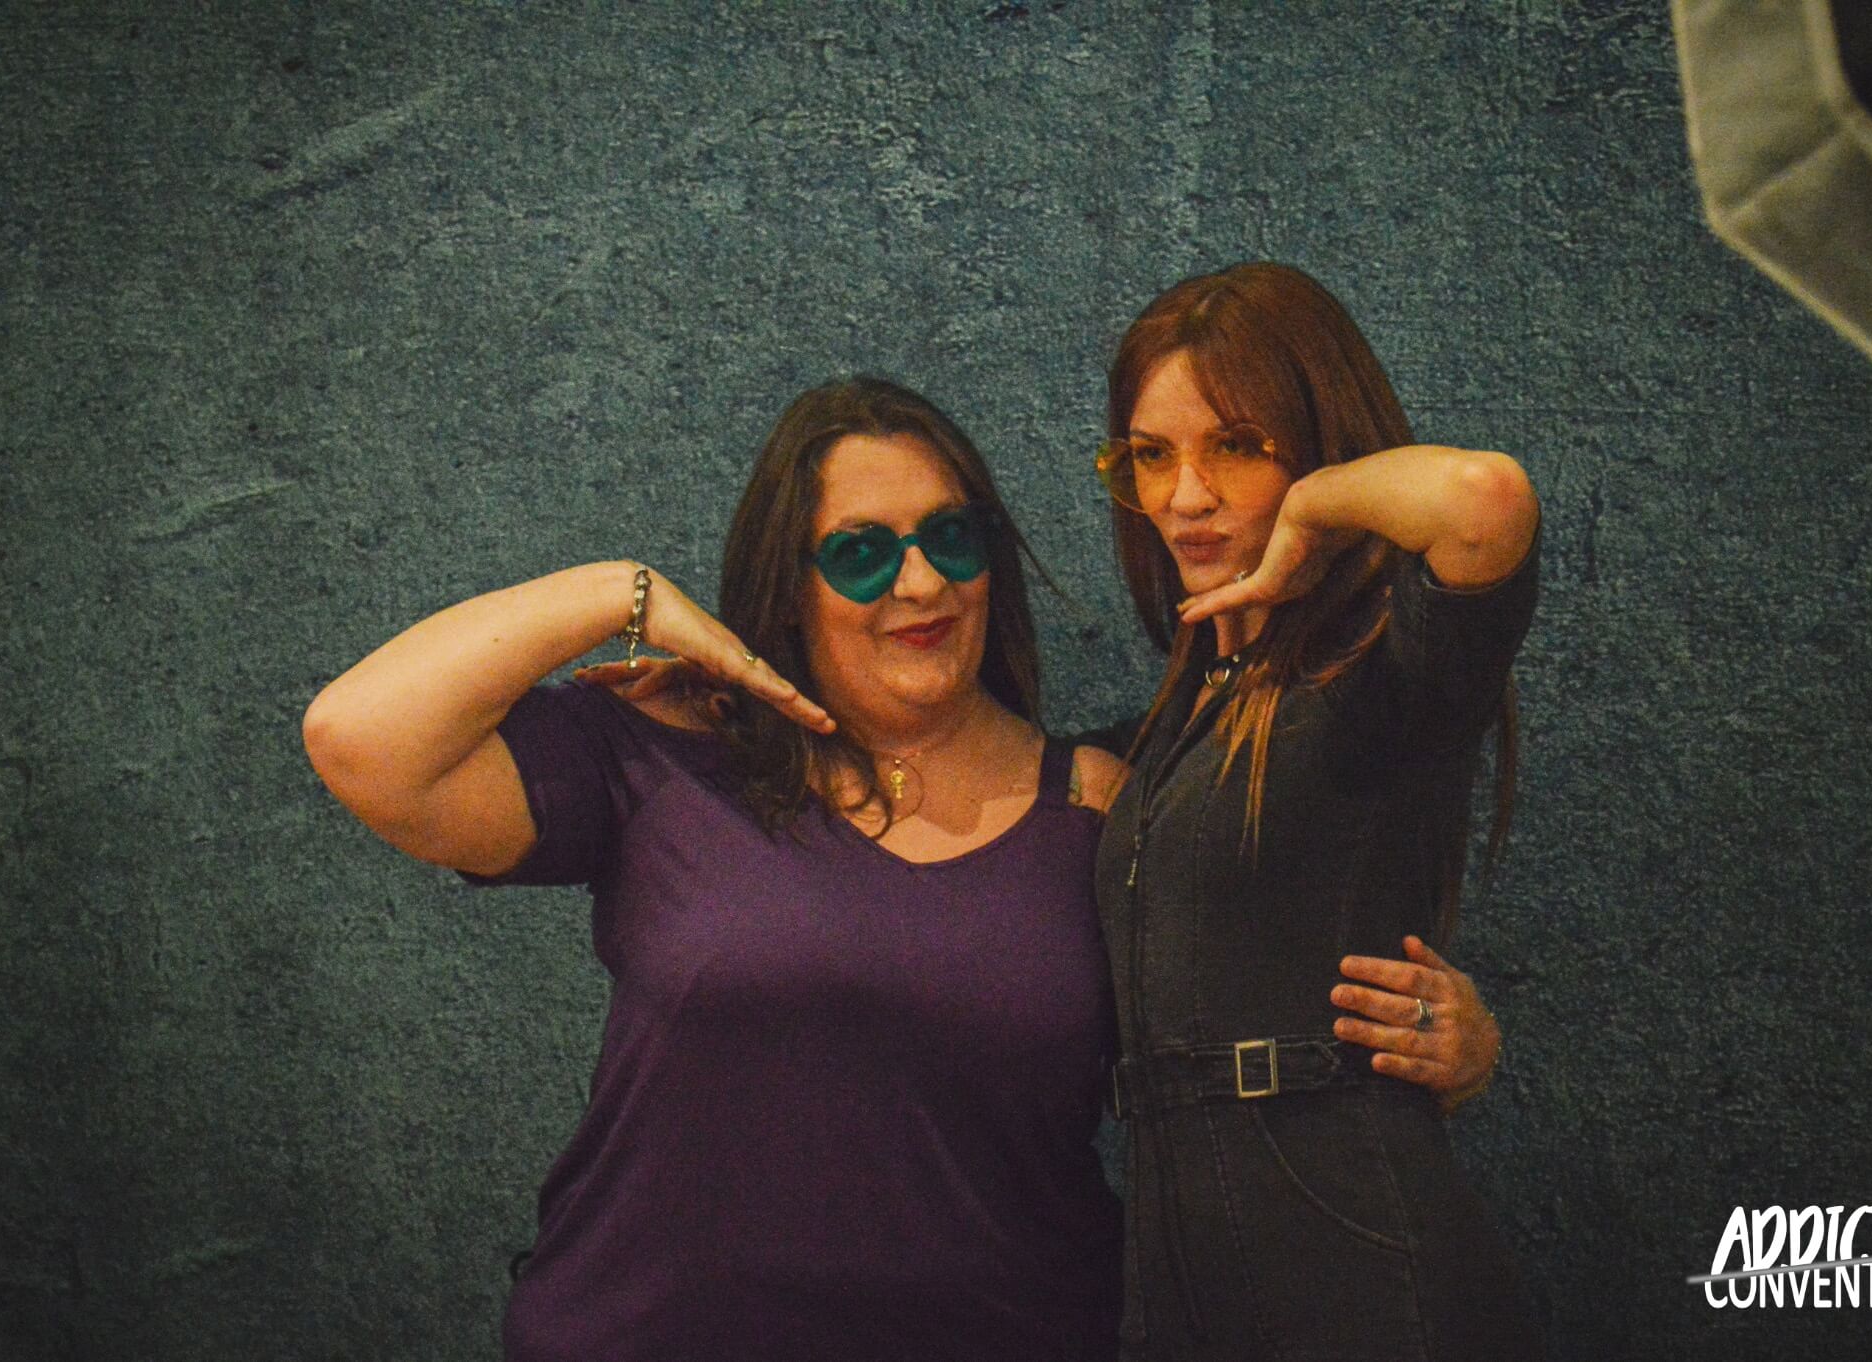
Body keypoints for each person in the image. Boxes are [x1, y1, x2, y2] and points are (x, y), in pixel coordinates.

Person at [302, 374, 1503, 1358]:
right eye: (860, 555)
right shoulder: (672, 759)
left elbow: (1257, 1003)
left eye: (948, 538)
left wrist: (1444, 1040)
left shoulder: (1108, 806)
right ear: (787, 586)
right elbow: (362, 743)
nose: (920, 583)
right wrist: (616, 595)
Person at [1091, 262, 1544, 1361]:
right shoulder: (1175, 722)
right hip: (1178, 1279)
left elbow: (1483, 500)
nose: (1184, 497)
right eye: (1150, 455)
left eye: (1237, 446)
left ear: (1318, 441)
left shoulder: (1383, 677)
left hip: (1349, 1261)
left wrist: (1310, 511)